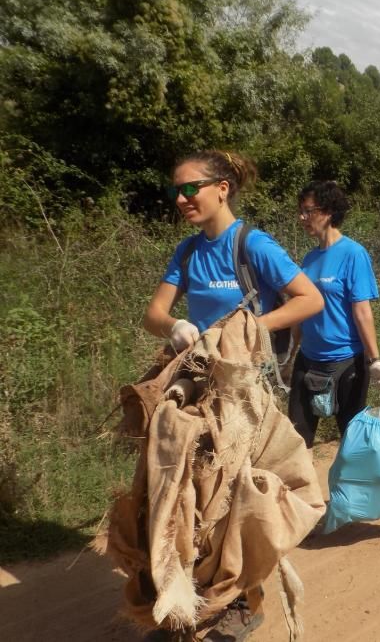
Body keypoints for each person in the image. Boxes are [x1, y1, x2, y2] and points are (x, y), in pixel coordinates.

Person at [142, 150, 325, 642]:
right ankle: (188, 596)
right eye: (175, 191)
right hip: (198, 385)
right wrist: (177, 324)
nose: (181, 199)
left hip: (244, 393)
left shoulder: (254, 245)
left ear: (222, 187)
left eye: (191, 188)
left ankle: (245, 600)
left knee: (236, 497)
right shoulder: (187, 252)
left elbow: (311, 298)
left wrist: (248, 330)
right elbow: (154, 312)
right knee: (190, 496)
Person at [288, 180, 380, 450]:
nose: (302, 218)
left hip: (346, 363)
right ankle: (300, 492)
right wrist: (290, 354)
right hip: (308, 360)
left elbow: (362, 312)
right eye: (300, 211)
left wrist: (375, 360)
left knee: (352, 440)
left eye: (308, 211)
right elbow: (300, 309)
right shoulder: (309, 259)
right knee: (297, 441)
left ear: (328, 211)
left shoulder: (353, 254)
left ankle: (354, 491)